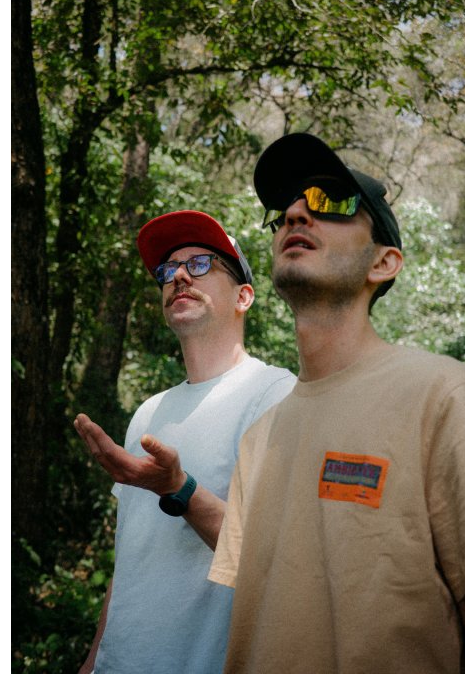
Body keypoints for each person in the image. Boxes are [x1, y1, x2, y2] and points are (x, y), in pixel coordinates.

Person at [208, 133, 465, 674]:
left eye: (331, 201)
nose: (296, 213)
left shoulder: (445, 394)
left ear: (384, 262)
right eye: (285, 211)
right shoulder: (259, 438)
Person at [73, 210, 296, 674]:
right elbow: (131, 559)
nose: (178, 276)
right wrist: (93, 660)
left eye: (200, 264)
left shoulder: (274, 394)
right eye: (168, 268)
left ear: (243, 296)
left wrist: (180, 489)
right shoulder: (148, 413)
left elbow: (273, 561)